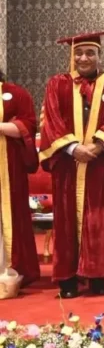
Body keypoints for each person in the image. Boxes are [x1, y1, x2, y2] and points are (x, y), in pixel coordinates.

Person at [39, 31, 104, 298]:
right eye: (78, 53)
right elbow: (52, 120)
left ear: (99, 55)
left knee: (100, 220)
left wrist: (98, 145)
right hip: (68, 165)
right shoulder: (57, 84)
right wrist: (73, 147)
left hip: (101, 164)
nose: (84, 58)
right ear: (72, 56)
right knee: (67, 220)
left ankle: (96, 277)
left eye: (90, 53)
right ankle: (67, 280)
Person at [0, 69, 41, 286]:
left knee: (10, 214)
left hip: (7, 167)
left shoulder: (15, 93)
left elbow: (28, 126)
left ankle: (12, 267)